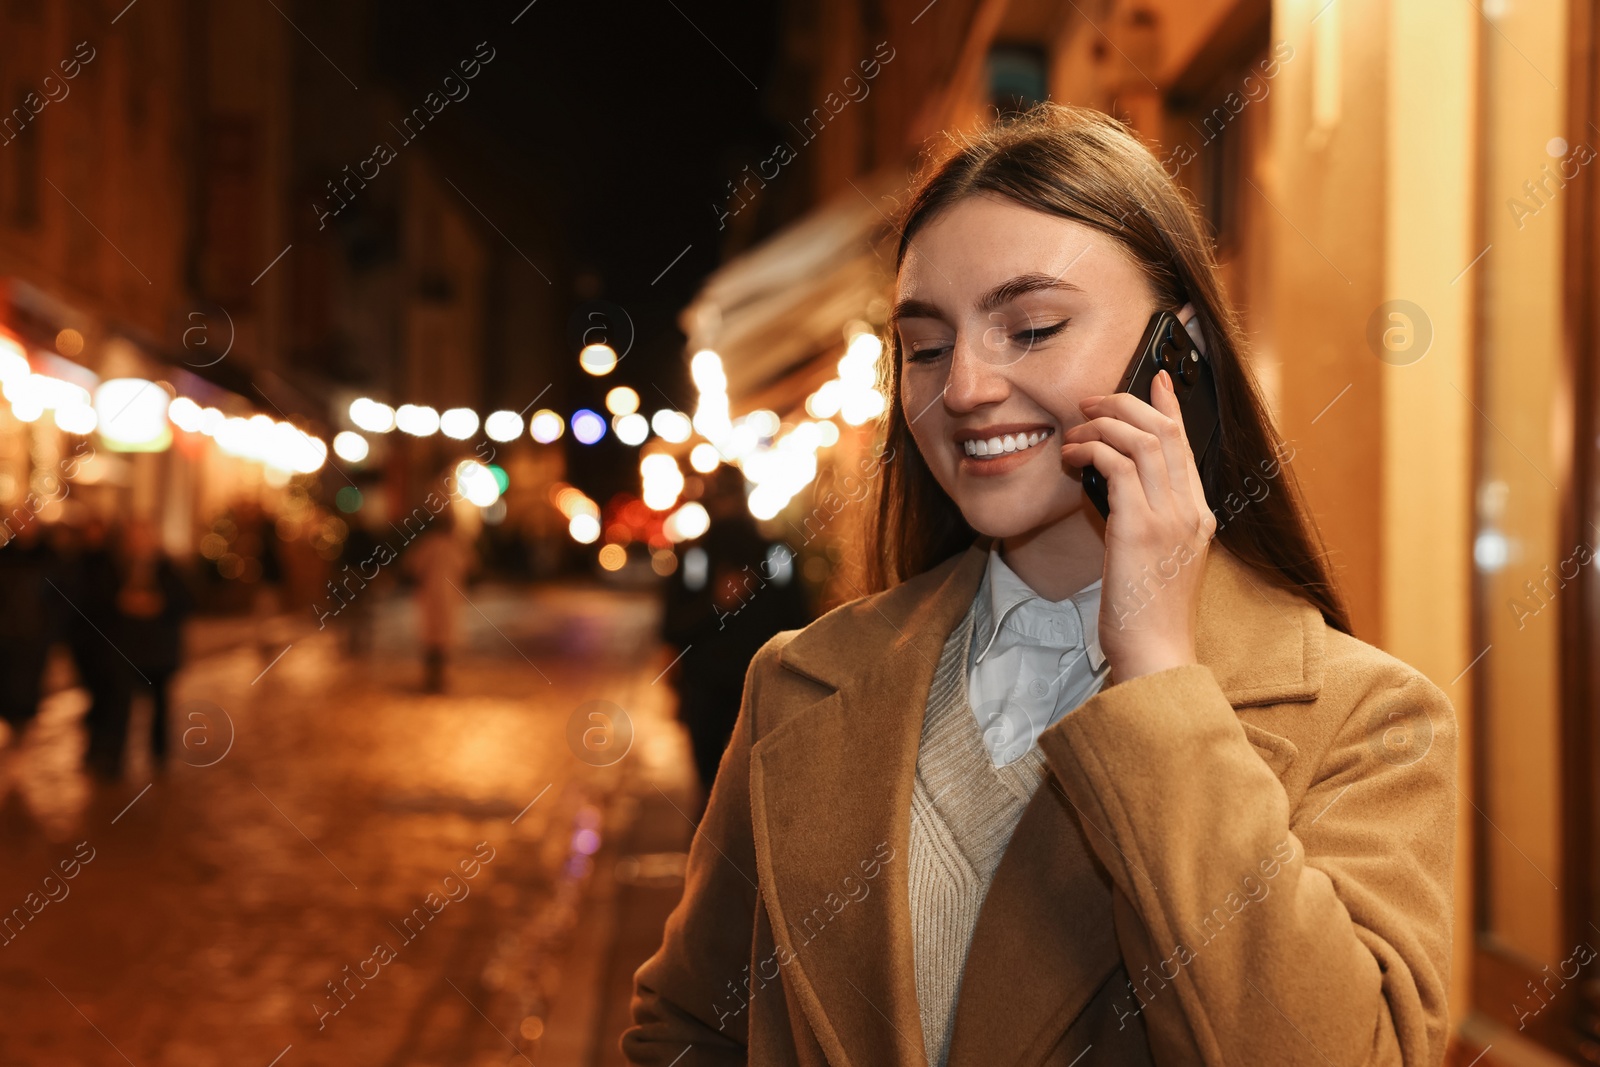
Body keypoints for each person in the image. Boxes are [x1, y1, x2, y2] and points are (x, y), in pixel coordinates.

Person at [624, 105, 1457, 1066]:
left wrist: (1154, 676)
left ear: (1175, 348)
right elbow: (686, 1030)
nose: (965, 386)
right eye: (927, 346)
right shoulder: (797, 681)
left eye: (1032, 327)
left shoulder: (1371, 721)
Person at [659, 465, 810, 801]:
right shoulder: (695, 558)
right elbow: (672, 627)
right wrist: (715, 605)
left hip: (761, 691)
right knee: (714, 792)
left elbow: (799, 623)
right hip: (710, 691)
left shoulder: (775, 555)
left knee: (757, 793)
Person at [102, 519, 193, 776]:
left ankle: (160, 756)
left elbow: (185, 602)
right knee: (120, 705)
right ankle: (114, 759)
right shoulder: (115, 568)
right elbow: (101, 604)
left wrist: (157, 604)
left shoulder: (169, 569)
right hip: (125, 651)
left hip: (159, 652)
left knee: (160, 707)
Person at [406, 506, 472, 693]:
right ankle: (435, 677)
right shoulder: (450, 546)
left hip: (434, 596)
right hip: (442, 597)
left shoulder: (431, 545)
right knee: (439, 636)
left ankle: (435, 677)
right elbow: (469, 567)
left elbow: (412, 567)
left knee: (435, 636)